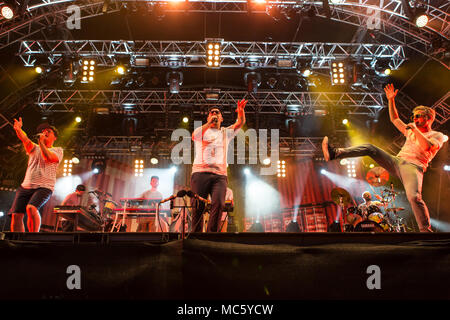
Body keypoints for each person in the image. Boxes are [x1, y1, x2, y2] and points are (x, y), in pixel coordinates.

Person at [322, 83, 446, 232]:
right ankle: (334, 153)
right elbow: (395, 119)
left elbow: (427, 146)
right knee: (370, 148)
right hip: (397, 161)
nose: (415, 119)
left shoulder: (437, 136)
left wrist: (414, 129)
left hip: (413, 167)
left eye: (418, 116)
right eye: (414, 116)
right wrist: (391, 100)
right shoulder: (411, 131)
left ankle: (425, 230)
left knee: (414, 197)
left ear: (429, 118)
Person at [191, 99, 247, 232]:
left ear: (221, 118)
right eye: (212, 113)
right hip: (200, 173)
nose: (215, 114)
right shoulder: (202, 130)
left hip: (220, 175)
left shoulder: (225, 132)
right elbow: (194, 136)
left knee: (219, 203)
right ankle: (196, 236)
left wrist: (241, 112)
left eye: (217, 113)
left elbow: (240, 123)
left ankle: (212, 235)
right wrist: (209, 123)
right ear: (208, 117)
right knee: (198, 206)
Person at [9, 119, 63, 232]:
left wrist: (41, 143)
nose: (45, 132)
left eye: (48, 131)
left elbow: (48, 157)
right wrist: (18, 129)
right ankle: (17, 242)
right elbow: (25, 138)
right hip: (26, 186)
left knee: (31, 208)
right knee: (16, 215)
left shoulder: (58, 150)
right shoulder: (34, 147)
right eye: (43, 131)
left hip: (44, 187)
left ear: (55, 137)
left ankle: (33, 237)